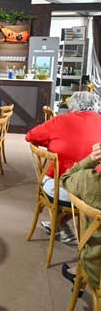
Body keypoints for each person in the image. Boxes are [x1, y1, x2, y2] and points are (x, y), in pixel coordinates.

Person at [26, 91, 101, 243]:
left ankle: (60, 222)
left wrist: (54, 144)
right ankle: (63, 223)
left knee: (64, 189)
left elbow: (30, 136)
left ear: (72, 107)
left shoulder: (61, 120)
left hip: (61, 187)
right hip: (96, 191)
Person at [60, 144, 101, 292]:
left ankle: (78, 273)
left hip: (96, 272)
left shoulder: (90, 182)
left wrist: (91, 159)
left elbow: (65, 177)